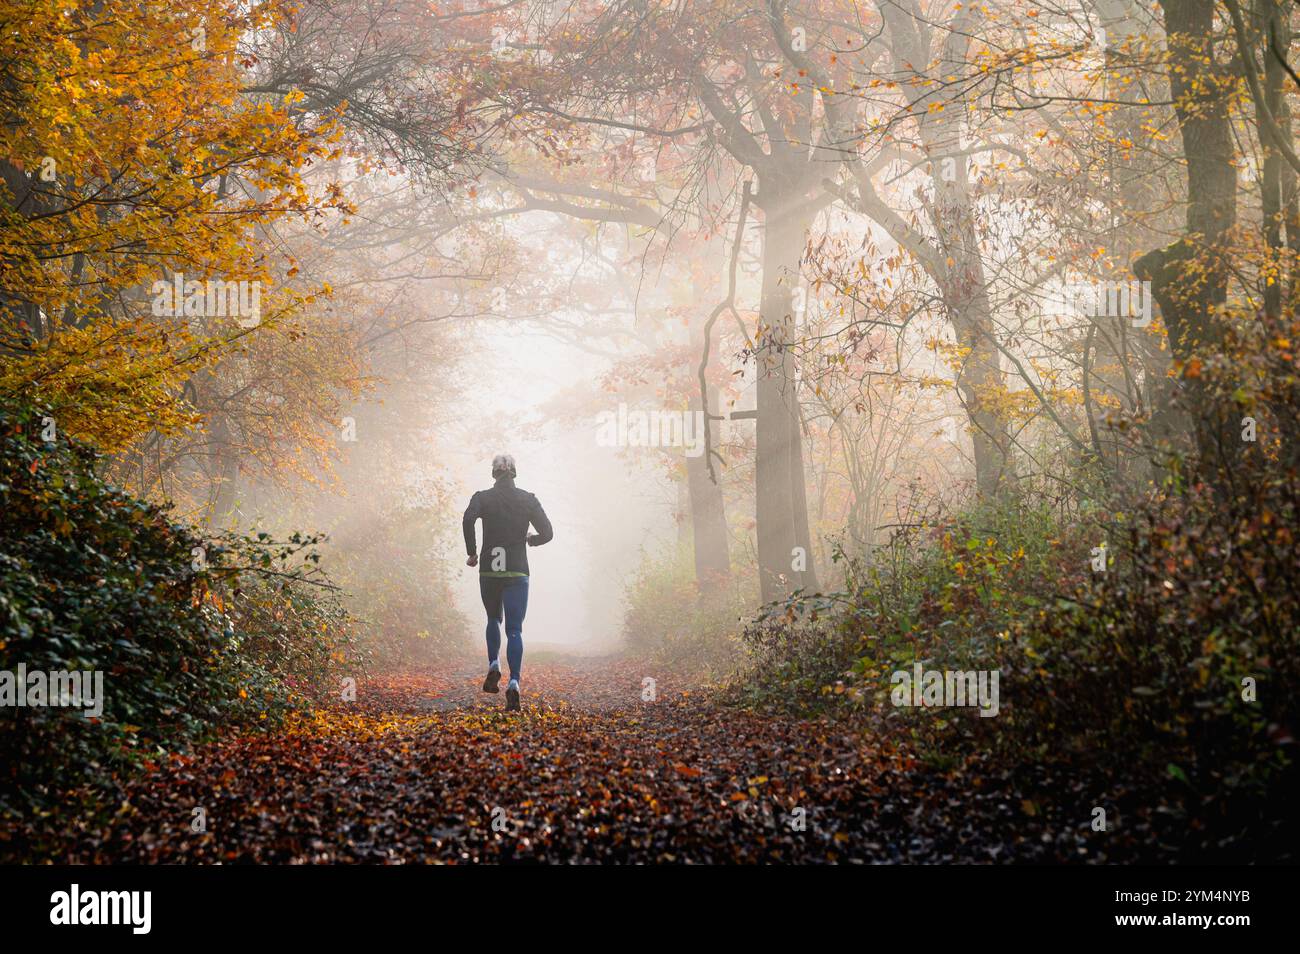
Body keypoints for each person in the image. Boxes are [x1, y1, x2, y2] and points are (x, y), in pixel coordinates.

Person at [462, 454, 553, 711]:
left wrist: (472, 551)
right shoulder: (528, 499)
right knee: (514, 630)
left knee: (493, 619)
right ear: (514, 473)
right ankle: (514, 682)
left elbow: (468, 519)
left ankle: (494, 664)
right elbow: (548, 533)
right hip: (517, 571)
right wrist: (530, 540)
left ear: (494, 473)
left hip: (490, 570)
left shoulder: (481, 497)